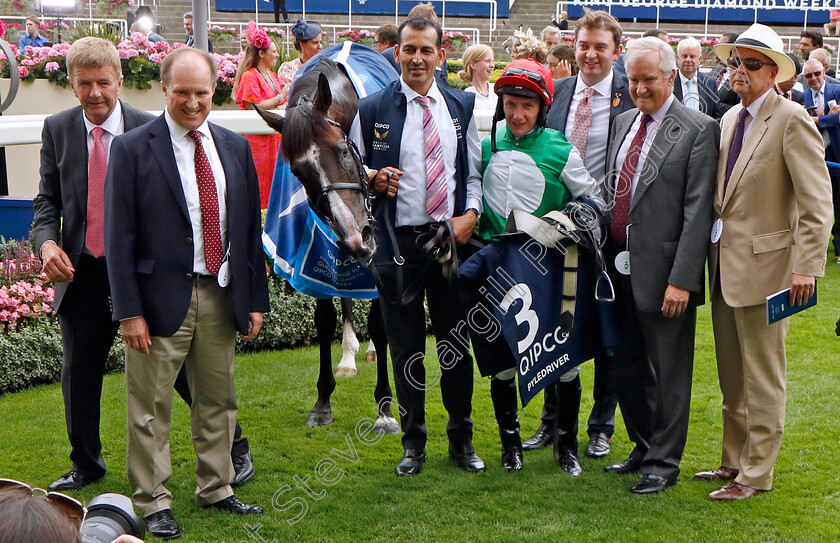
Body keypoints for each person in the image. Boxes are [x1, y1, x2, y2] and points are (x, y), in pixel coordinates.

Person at [104, 46, 270, 537]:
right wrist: (129, 311)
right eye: (183, 92)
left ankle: (217, 487)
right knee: (149, 408)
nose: (193, 102)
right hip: (157, 304)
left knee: (218, 400)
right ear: (164, 89)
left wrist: (255, 298)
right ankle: (153, 501)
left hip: (221, 295)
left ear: (214, 90)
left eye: (202, 93)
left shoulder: (234, 148)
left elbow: (248, 232)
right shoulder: (132, 148)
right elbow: (119, 238)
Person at [698, 23, 832, 501]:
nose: (739, 70)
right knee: (732, 373)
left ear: (775, 72)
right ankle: (733, 461)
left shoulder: (793, 118)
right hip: (725, 268)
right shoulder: (731, 119)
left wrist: (806, 268)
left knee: (762, 375)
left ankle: (756, 475)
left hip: (771, 272)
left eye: (751, 63)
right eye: (735, 60)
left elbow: (818, 204)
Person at [351, 16, 484, 477]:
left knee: (455, 344)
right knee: (406, 349)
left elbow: (472, 173)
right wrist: (371, 178)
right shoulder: (370, 110)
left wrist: (470, 215)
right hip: (397, 244)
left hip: (449, 239)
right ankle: (413, 444)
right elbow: (351, 177)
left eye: (426, 50)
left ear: (441, 55)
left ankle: (462, 440)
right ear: (397, 53)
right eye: (409, 49)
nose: (417, 58)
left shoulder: (461, 104)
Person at [471, 59, 600, 473]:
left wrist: (574, 218)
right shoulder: (487, 145)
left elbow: (593, 200)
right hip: (499, 268)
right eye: (510, 105)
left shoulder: (561, 148)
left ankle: (568, 448)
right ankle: (511, 446)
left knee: (564, 362)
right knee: (504, 360)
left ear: (542, 108)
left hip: (549, 268)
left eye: (527, 106)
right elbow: (471, 191)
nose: (518, 115)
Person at [602, 37, 718, 494]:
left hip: (667, 275)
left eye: (649, 79)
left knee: (668, 371)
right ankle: (643, 444)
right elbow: (614, 191)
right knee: (626, 365)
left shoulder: (698, 128)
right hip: (617, 269)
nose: (639, 88)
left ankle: (664, 463)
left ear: (671, 77)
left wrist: (683, 280)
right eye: (632, 79)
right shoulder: (624, 121)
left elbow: (697, 213)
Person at [527, 8, 635, 462]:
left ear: (617, 51)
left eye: (600, 47)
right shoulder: (558, 92)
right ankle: (553, 421)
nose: (590, 54)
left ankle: (601, 427)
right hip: (557, 229)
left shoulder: (631, 97)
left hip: (610, 231)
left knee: (608, 328)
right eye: (584, 45)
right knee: (554, 324)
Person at [234, 21, 284, 209]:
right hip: (257, 143)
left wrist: (279, 102)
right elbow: (256, 105)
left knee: (275, 181)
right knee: (258, 182)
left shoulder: (273, 76)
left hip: (274, 140)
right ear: (261, 54)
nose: (277, 55)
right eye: (273, 51)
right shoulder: (249, 76)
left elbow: (276, 106)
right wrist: (281, 97)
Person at [802, 57, 840, 264]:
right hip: (817, 155)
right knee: (818, 202)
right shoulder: (804, 94)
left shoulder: (837, 90)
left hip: (836, 153)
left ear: (824, 72)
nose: (814, 78)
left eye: (817, 73)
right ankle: (817, 244)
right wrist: (828, 119)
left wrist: (817, 119)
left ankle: (839, 249)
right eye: (809, 75)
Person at [674, 37, 721, 119]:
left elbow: (716, 116)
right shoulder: (668, 82)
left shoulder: (710, 83)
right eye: (684, 56)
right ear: (678, 58)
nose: (688, 60)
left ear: (699, 59)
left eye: (692, 56)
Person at [277, 18, 322, 90]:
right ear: (302, 44)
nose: (320, 46)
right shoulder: (289, 69)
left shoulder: (324, 67)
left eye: (320, 42)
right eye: (315, 43)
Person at [458, 44, 497, 111]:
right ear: (473, 64)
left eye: (492, 61)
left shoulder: (497, 91)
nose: (492, 65)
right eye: (487, 61)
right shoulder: (466, 97)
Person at [710, 32, 741, 115]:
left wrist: (713, 105)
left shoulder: (742, 76)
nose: (717, 50)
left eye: (721, 46)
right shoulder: (717, 69)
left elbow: (740, 109)